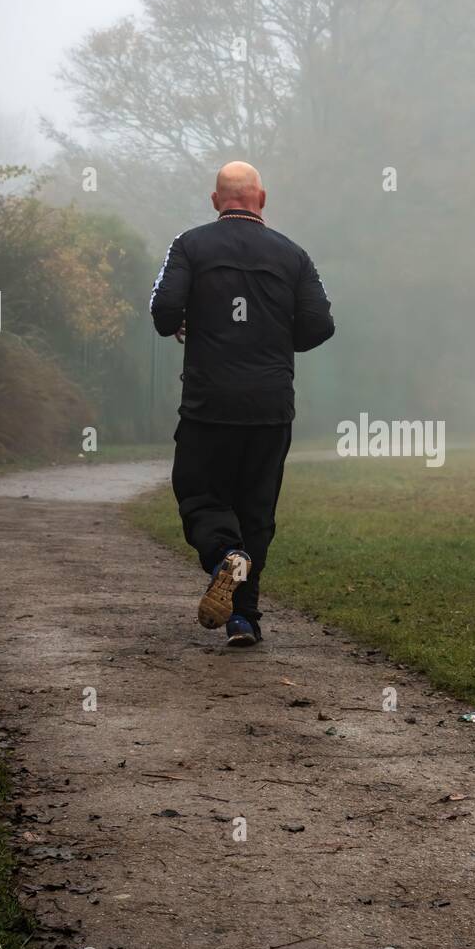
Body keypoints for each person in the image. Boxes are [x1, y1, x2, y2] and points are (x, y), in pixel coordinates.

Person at [150, 161, 334, 647]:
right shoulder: (294, 255)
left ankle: (224, 554)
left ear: (216, 201)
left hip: (209, 402)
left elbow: (163, 310)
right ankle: (244, 619)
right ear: (262, 199)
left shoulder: (188, 245)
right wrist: (270, 339)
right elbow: (319, 324)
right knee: (257, 509)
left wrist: (191, 324)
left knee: (198, 492)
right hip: (270, 405)